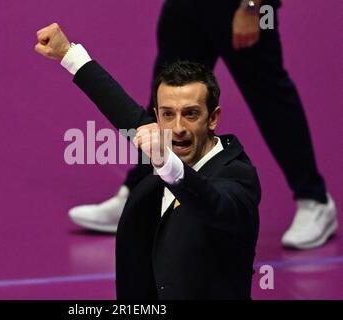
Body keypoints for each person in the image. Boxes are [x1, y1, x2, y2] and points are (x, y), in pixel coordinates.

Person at [67, 0, 338, 250]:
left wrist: (253, 6)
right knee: (165, 96)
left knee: (270, 99)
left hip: (238, 7)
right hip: (186, 6)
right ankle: (141, 195)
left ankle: (314, 200)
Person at [35, 23, 261, 299]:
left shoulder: (238, 176)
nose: (177, 127)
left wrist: (166, 163)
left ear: (213, 117)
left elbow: (211, 203)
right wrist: (68, 54)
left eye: (190, 114)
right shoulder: (165, 141)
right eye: (167, 114)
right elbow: (124, 111)